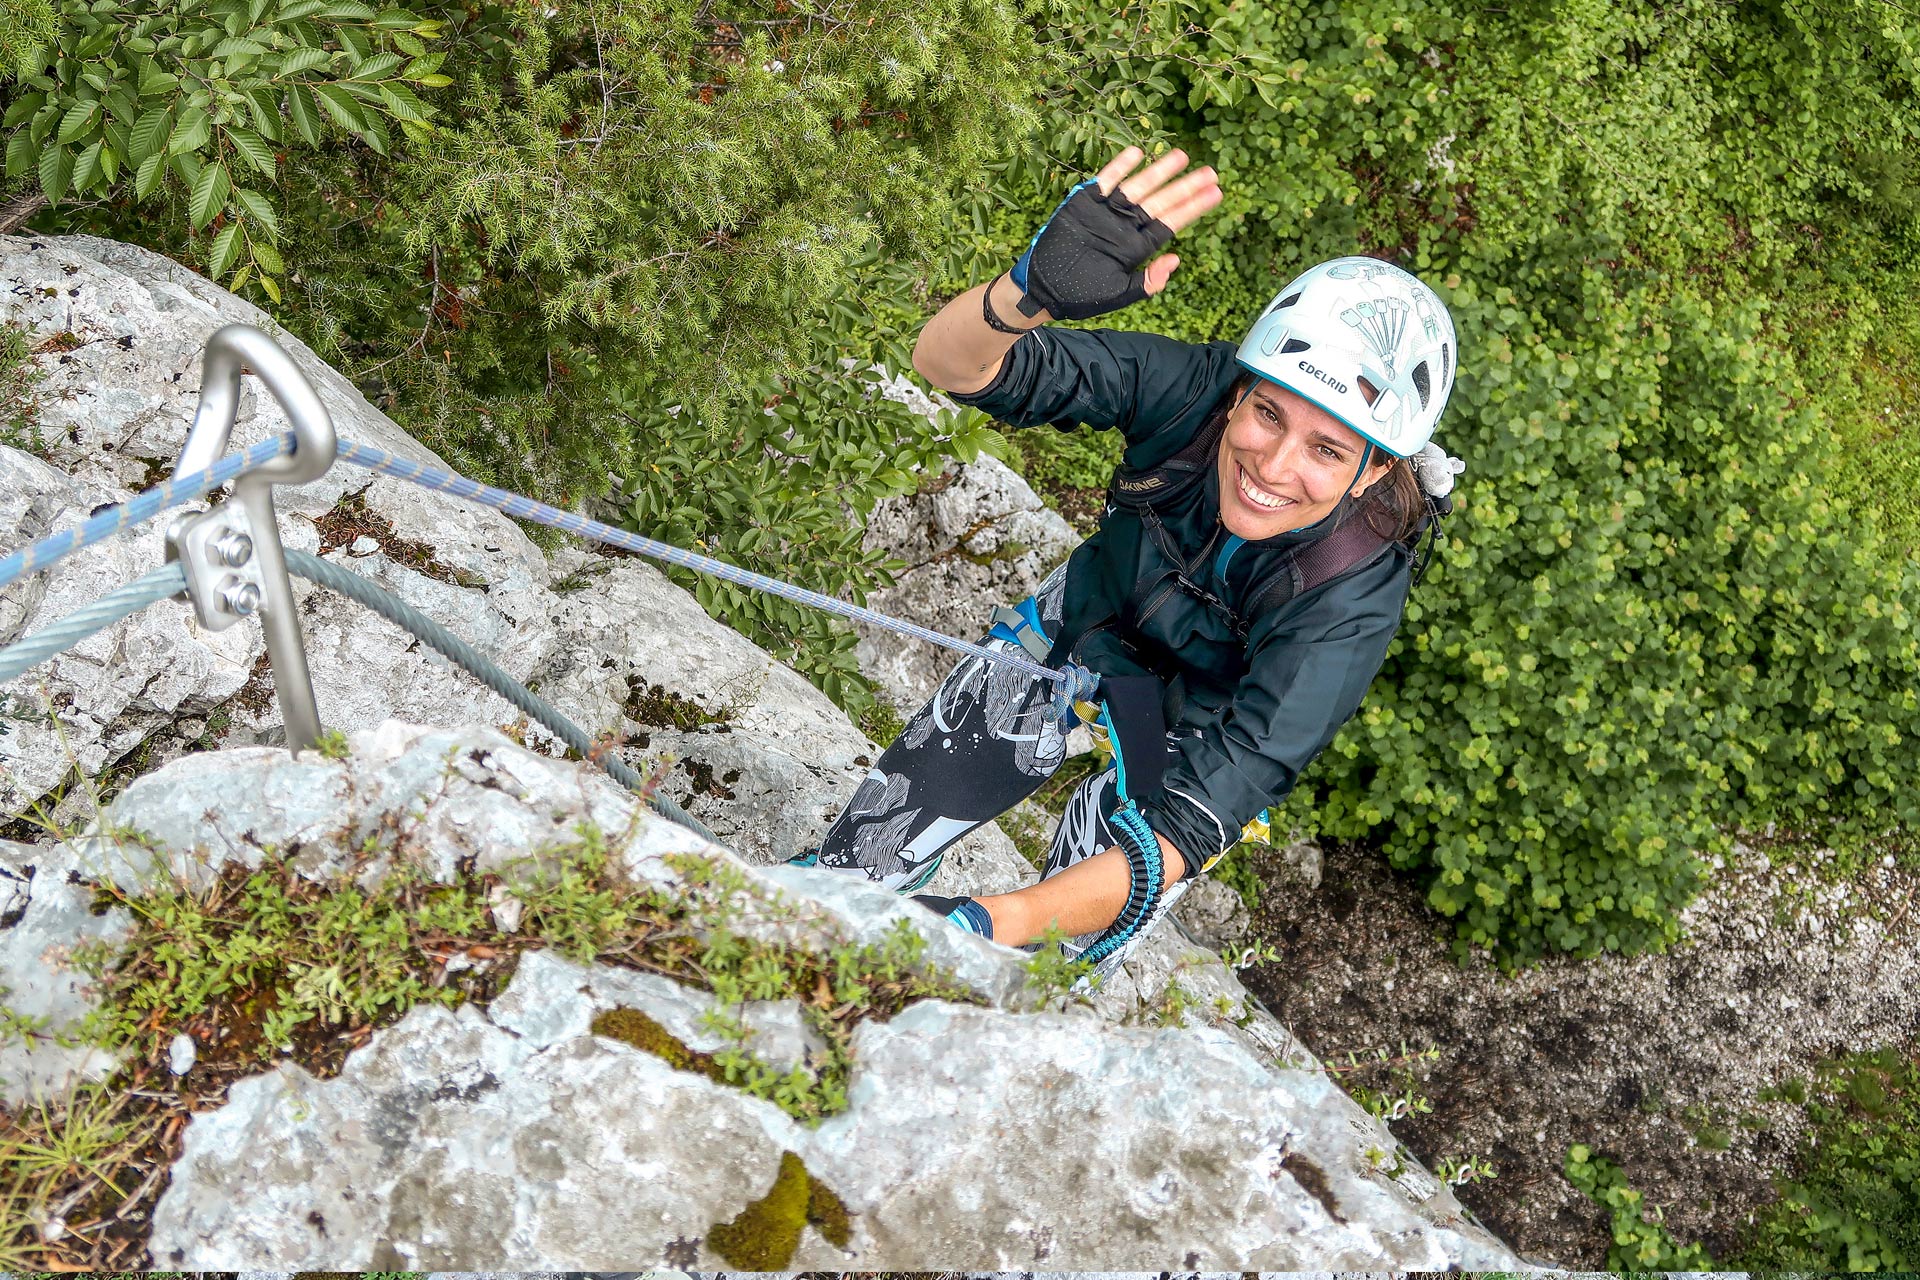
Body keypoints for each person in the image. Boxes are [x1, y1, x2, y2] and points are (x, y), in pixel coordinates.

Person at [793, 146, 1461, 970]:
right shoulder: (1190, 395)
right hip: (1083, 629)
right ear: (1242, 389)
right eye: (1266, 414)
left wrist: (976, 927)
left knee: (1043, 960)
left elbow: (1184, 830)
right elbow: (951, 367)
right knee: (858, 863)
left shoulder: (1350, 595)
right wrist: (1025, 296)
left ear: (1379, 469)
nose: (1273, 465)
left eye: (1327, 450)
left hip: (1191, 727)